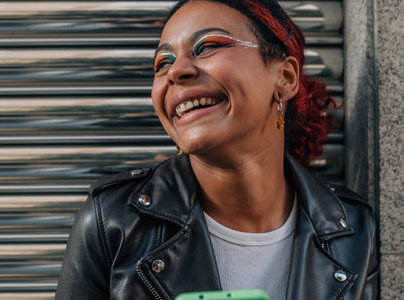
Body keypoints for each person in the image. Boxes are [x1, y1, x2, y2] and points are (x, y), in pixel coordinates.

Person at [55, 1, 379, 299]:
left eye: (208, 46)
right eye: (162, 62)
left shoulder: (353, 230)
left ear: (285, 77)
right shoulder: (113, 221)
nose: (176, 71)